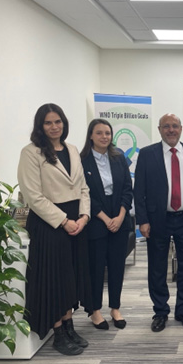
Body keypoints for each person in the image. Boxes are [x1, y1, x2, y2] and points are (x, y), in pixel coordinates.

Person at [17, 103, 93, 356]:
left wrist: (83, 216)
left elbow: (83, 187)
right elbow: (33, 196)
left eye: (57, 121)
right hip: (50, 223)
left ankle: (70, 326)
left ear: (64, 123)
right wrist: (63, 221)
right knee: (55, 279)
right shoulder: (31, 153)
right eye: (48, 122)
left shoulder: (71, 149)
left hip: (75, 221)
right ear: (40, 126)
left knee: (71, 277)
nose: (54, 127)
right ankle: (58, 332)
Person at [134, 113, 183, 332]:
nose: (171, 130)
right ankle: (160, 311)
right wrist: (142, 220)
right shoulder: (147, 154)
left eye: (175, 126)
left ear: (181, 129)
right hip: (157, 220)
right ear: (159, 129)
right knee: (157, 267)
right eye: (167, 126)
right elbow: (139, 190)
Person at [80, 119, 133, 330]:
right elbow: (84, 193)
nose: (104, 137)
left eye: (108, 133)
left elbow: (128, 189)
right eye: (99, 133)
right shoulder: (82, 161)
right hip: (95, 219)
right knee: (96, 267)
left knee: (117, 266)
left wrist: (120, 216)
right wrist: (104, 217)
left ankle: (115, 308)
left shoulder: (119, 158)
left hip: (119, 217)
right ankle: (95, 310)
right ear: (91, 135)